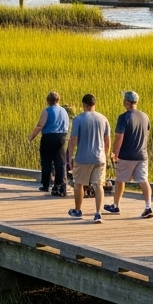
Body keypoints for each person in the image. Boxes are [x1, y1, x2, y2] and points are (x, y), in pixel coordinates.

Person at [108, 90, 153, 218]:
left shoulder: (124, 117)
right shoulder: (145, 116)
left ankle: (116, 205)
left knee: (120, 180)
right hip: (142, 155)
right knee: (143, 180)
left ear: (126, 102)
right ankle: (148, 206)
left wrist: (115, 153)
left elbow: (119, 138)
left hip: (127, 155)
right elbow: (147, 135)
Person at [67, 93, 110, 223]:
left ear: (84, 105)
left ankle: (78, 210)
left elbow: (73, 139)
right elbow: (107, 140)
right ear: (94, 104)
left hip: (83, 157)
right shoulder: (103, 119)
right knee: (98, 185)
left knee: (79, 183)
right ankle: (98, 213)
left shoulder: (78, 119)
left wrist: (69, 156)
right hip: (100, 157)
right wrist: (106, 156)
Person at [28, 91, 70, 196]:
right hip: (62, 137)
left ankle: (46, 184)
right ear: (58, 100)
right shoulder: (64, 111)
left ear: (48, 101)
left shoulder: (46, 111)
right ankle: (59, 184)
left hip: (48, 137)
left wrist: (31, 137)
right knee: (60, 162)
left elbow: (40, 126)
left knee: (46, 161)